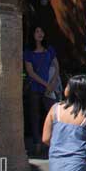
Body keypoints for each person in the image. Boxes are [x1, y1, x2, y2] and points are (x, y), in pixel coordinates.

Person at [42, 75, 86, 171]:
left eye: (68, 85)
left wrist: (60, 146)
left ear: (74, 92)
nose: (65, 87)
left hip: (56, 165)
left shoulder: (55, 109)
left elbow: (46, 138)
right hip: (78, 166)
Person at [24, 26, 60, 156]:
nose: (40, 34)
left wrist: (53, 83)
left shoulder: (49, 49)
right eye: (37, 31)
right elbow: (30, 72)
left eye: (42, 31)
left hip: (49, 86)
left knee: (53, 112)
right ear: (33, 34)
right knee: (35, 116)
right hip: (35, 86)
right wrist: (46, 84)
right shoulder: (28, 51)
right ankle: (37, 143)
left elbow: (56, 66)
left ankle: (53, 142)